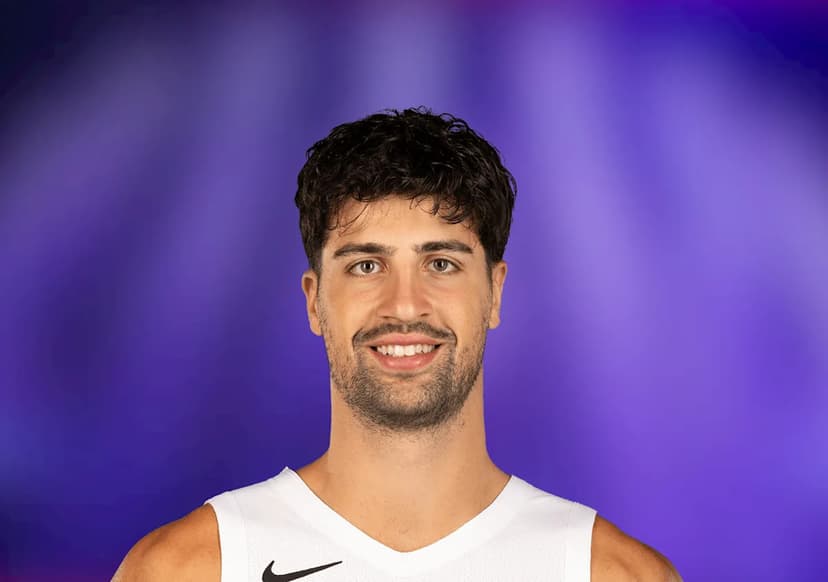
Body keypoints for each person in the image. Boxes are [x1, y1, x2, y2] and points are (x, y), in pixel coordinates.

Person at [113, 108, 681, 581]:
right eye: (366, 265)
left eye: (441, 263)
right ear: (313, 301)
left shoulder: (609, 573)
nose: (405, 305)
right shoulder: (189, 569)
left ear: (495, 293)